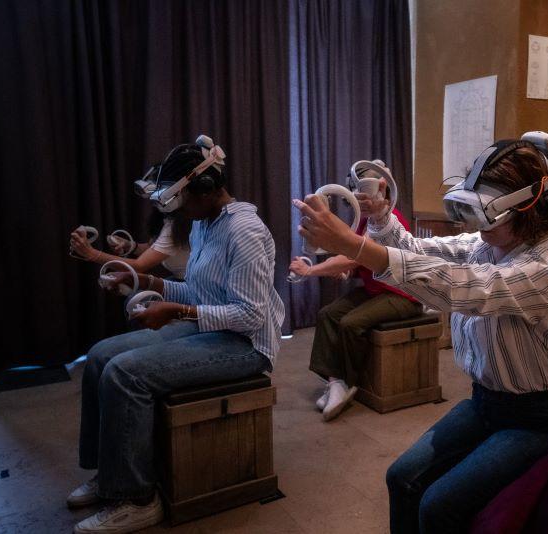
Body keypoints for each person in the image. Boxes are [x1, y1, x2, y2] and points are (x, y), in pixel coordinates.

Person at [294, 133, 548, 533]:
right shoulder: (483, 245)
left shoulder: (546, 273)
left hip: (540, 420)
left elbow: (459, 288)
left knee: (439, 506)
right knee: (402, 478)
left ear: (528, 209)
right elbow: (414, 250)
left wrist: (355, 246)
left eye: (486, 214)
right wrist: (379, 218)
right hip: (487, 403)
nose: (475, 225)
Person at [67, 135, 284, 534]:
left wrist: (178, 312)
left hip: (246, 346)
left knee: (126, 373)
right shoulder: (204, 224)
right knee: (100, 357)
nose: (177, 209)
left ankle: (138, 499)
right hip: (211, 328)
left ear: (205, 189)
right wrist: (143, 279)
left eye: (180, 199)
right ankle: (112, 475)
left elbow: (251, 315)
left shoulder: (245, 232)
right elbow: (200, 293)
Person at [289, 207, 422, 421]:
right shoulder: (362, 221)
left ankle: (346, 382)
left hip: (403, 295)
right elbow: (358, 262)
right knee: (327, 314)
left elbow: (355, 257)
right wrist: (347, 273)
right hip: (377, 290)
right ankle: (335, 382)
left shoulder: (389, 218)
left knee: (350, 323)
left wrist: (310, 271)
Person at [69, 195, 192, 280]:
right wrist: (131, 246)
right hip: (179, 279)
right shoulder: (166, 218)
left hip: (187, 283)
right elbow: (154, 248)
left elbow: (139, 266)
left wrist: (91, 254)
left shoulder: (175, 226)